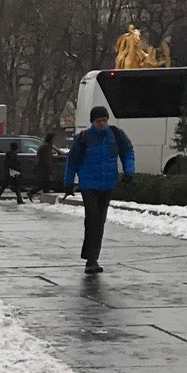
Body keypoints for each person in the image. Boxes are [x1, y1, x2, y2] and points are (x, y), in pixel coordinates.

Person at [63, 106, 134, 274]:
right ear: (92, 122)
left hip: (107, 184)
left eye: (104, 120)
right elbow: (72, 161)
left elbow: (127, 151)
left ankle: (92, 257)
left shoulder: (116, 134)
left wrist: (129, 171)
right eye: (98, 121)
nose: (102, 123)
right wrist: (68, 182)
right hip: (89, 185)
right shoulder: (83, 138)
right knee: (93, 219)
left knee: (99, 221)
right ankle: (91, 259)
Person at [0, 140, 24, 205]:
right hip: (12, 173)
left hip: (8, 172)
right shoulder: (13, 154)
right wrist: (17, 169)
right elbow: (12, 163)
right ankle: (19, 199)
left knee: (6, 186)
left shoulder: (8, 154)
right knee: (15, 186)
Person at [27, 132, 57, 201]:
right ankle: (32, 192)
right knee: (45, 183)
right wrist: (49, 169)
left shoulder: (45, 145)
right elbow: (46, 158)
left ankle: (43, 197)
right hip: (43, 167)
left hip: (41, 166)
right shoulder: (46, 146)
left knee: (45, 183)